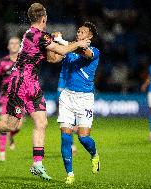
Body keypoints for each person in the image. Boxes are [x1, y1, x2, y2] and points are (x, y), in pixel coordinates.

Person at [0, 3, 91, 181]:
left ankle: (37, 164)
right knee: (11, 125)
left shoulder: (40, 36)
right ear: (44, 18)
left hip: (32, 84)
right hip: (19, 83)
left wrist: (62, 45)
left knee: (41, 122)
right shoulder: (35, 34)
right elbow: (63, 50)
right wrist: (77, 43)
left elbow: (53, 57)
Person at [48, 22, 100, 184]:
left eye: (83, 32)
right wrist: (50, 43)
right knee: (65, 136)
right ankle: (70, 174)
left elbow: (85, 52)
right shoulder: (69, 50)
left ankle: (94, 154)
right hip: (67, 96)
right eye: (78, 31)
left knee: (83, 138)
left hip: (84, 99)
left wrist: (62, 41)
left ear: (90, 36)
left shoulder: (95, 52)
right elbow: (52, 59)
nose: (79, 33)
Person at [0, 37, 23, 161]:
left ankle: (11, 136)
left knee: (17, 127)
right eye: (11, 43)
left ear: (20, 45)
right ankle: (2, 152)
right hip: (5, 98)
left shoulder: (24, 61)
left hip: (19, 98)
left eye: (16, 43)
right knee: (4, 124)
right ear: (8, 46)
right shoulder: (2, 62)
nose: (13, 45)